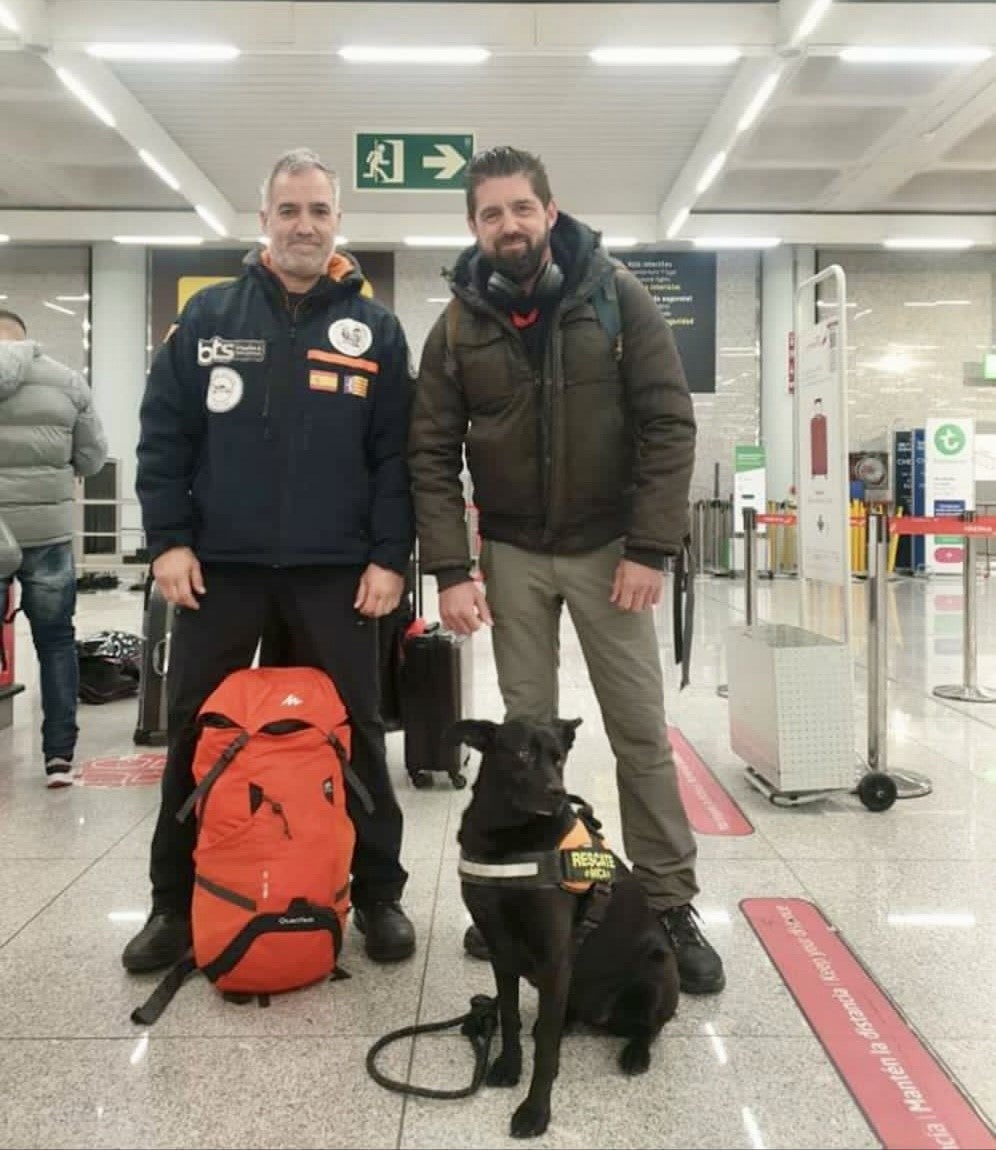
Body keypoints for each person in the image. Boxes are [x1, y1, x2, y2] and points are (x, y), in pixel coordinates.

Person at [409, 146, 725, 995]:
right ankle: (532, 895)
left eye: (520, 209)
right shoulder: (457, 325)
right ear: (472, 227)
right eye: (489, 214)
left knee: (637, 733)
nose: (507, 226)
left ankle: (666, 900)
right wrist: (450, 568)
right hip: (509, 554)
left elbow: (667, 424)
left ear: (550, 211)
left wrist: (650, 548)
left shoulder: (617, 299)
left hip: (607, 553)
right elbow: (431, 451)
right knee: (525, 738)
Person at [123, 148, 416, 973]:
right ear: (262, 221)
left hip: (336, 571)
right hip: (221, 569)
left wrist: (390, 557)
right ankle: (174, 904)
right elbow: (164, 441)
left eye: (319, 211)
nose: (303, 226)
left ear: (336, 223)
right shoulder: (210, 318)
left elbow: (397, 457)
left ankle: (379, 891)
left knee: (354, 733)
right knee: (197, 733)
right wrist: (169, 542)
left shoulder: (377, 331)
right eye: (289, 211)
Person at [0, 310, 108, 787]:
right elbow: (91, 456)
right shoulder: (66, 380)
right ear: (27, 339)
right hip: (47, 534)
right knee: (56, 642)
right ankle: (59, 758)